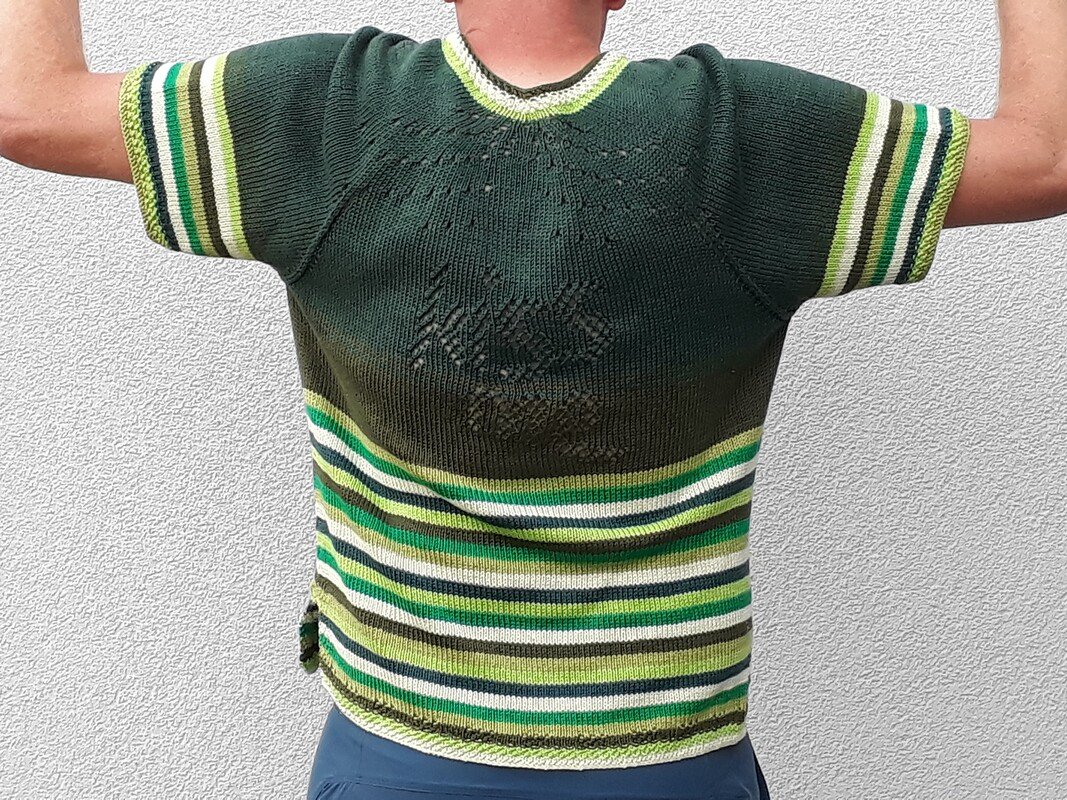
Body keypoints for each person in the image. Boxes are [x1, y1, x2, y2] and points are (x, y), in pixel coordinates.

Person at [0, 0, 1062, 798]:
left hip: (399, 751)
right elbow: (1046, 155)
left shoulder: (322, 119)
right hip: (661, 757)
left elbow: (27, 103)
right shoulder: (742, 141)